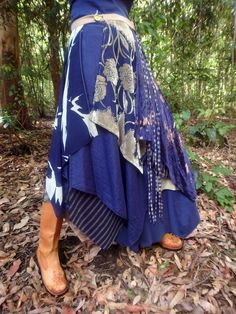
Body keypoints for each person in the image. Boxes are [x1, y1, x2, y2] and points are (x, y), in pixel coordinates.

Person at [36, 0, 200, 296]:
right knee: (75, 137)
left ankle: (153, 224)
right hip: (87, 39)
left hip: (126, 41)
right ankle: (46, 247)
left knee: (148, 132)